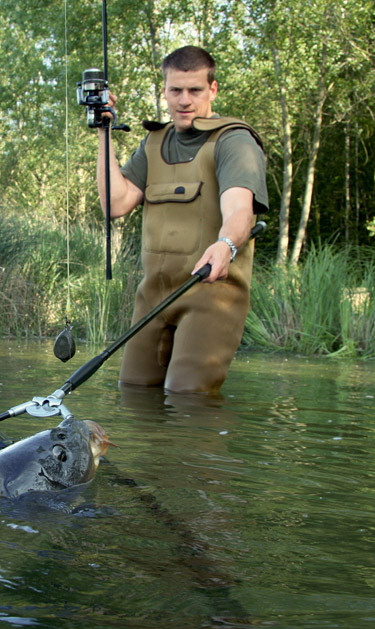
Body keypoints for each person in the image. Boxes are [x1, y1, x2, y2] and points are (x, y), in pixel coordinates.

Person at [97, 45, 268, 394]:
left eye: (195, 90)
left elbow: (239, 210)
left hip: (210, 294)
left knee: (188, 398)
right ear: (164, 90)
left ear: (213, 89)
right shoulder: (154, 142)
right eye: (176, 90)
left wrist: (225, 244)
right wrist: (104, 134)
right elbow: (115, 204)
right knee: (133, 391)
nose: (184, 100)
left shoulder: (234, 140)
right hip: (153, 298)